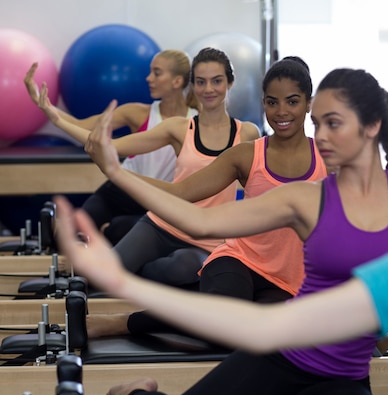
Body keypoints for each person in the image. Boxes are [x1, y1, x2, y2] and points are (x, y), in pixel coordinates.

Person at [56, 67, 388, 395]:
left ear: (372, 124)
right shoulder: (307, 198)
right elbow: (200, 219)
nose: (321, 136)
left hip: (347, 380)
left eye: (333, 124)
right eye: (318, 124)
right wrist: (116, 172)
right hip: (283, 358)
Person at [87, 56, 330, 338]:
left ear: (309, 103)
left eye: (292, 101)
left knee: (256, 335)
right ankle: (122, 323)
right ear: (263, 102)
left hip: (290, 280)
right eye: (272, 102)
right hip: (239, 261)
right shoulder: (248, 153)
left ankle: (184, 300)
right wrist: (115, 171)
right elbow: (181, 193)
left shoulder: (328, 159)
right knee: (223, 325)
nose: (281, 111)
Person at [40, 47, 260, 288]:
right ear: (192, 85)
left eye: (216, 81)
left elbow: (255, 194)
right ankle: (125, 271)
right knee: (102, 277)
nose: (208, 89)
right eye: (201, 82)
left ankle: (138, 273)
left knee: (184, 269)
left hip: (207, 238)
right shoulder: (179, 128)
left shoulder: (247, 133)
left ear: (230, 82)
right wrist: (57, 118)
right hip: (162, 224)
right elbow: (112, 146)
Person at [24, 50, 199, 244]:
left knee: (118, 231)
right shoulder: (137, 113)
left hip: (156, 199)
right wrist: (43, 103)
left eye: (157, 73)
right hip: (122, 189)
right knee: (74, 230)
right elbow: (82, 126)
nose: (149, 78)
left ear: (177, 81)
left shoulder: (194, 123)